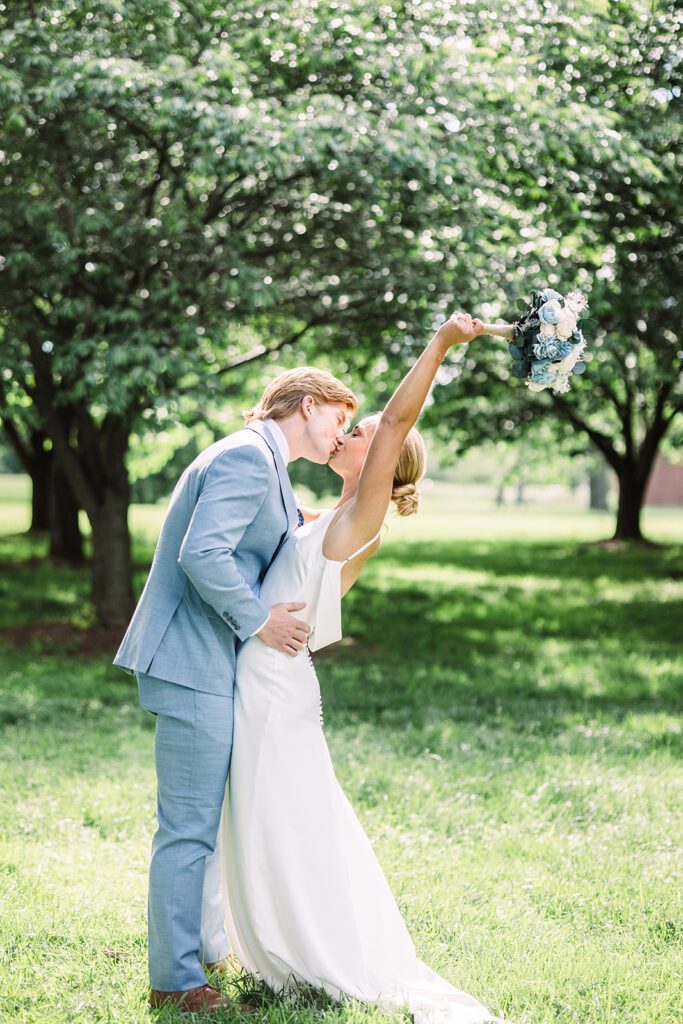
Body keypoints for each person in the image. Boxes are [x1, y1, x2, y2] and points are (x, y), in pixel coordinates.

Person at [221, 312, 506, 1024]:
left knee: (280, 818)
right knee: (268, 818)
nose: (349, 433)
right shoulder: (326, 514)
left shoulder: (361, 520)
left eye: (365, 431)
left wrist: (441, 343)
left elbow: (401, 418)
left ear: (383, 455)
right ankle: (267, 943)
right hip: (265, 679)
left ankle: (306, 953)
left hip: (273, 689)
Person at [113, 368, 357, 1013]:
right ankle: (175, 982)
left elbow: (295, 533)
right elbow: (203, 553)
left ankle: (201, 949)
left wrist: (374, 486)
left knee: (203, 824)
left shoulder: (266, 463)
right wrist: (259, 620)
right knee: (187, 828)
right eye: (339, 419)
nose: (341, 433)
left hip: (204, 661)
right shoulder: (248, 458)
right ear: (309, 406)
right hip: (190, 659)